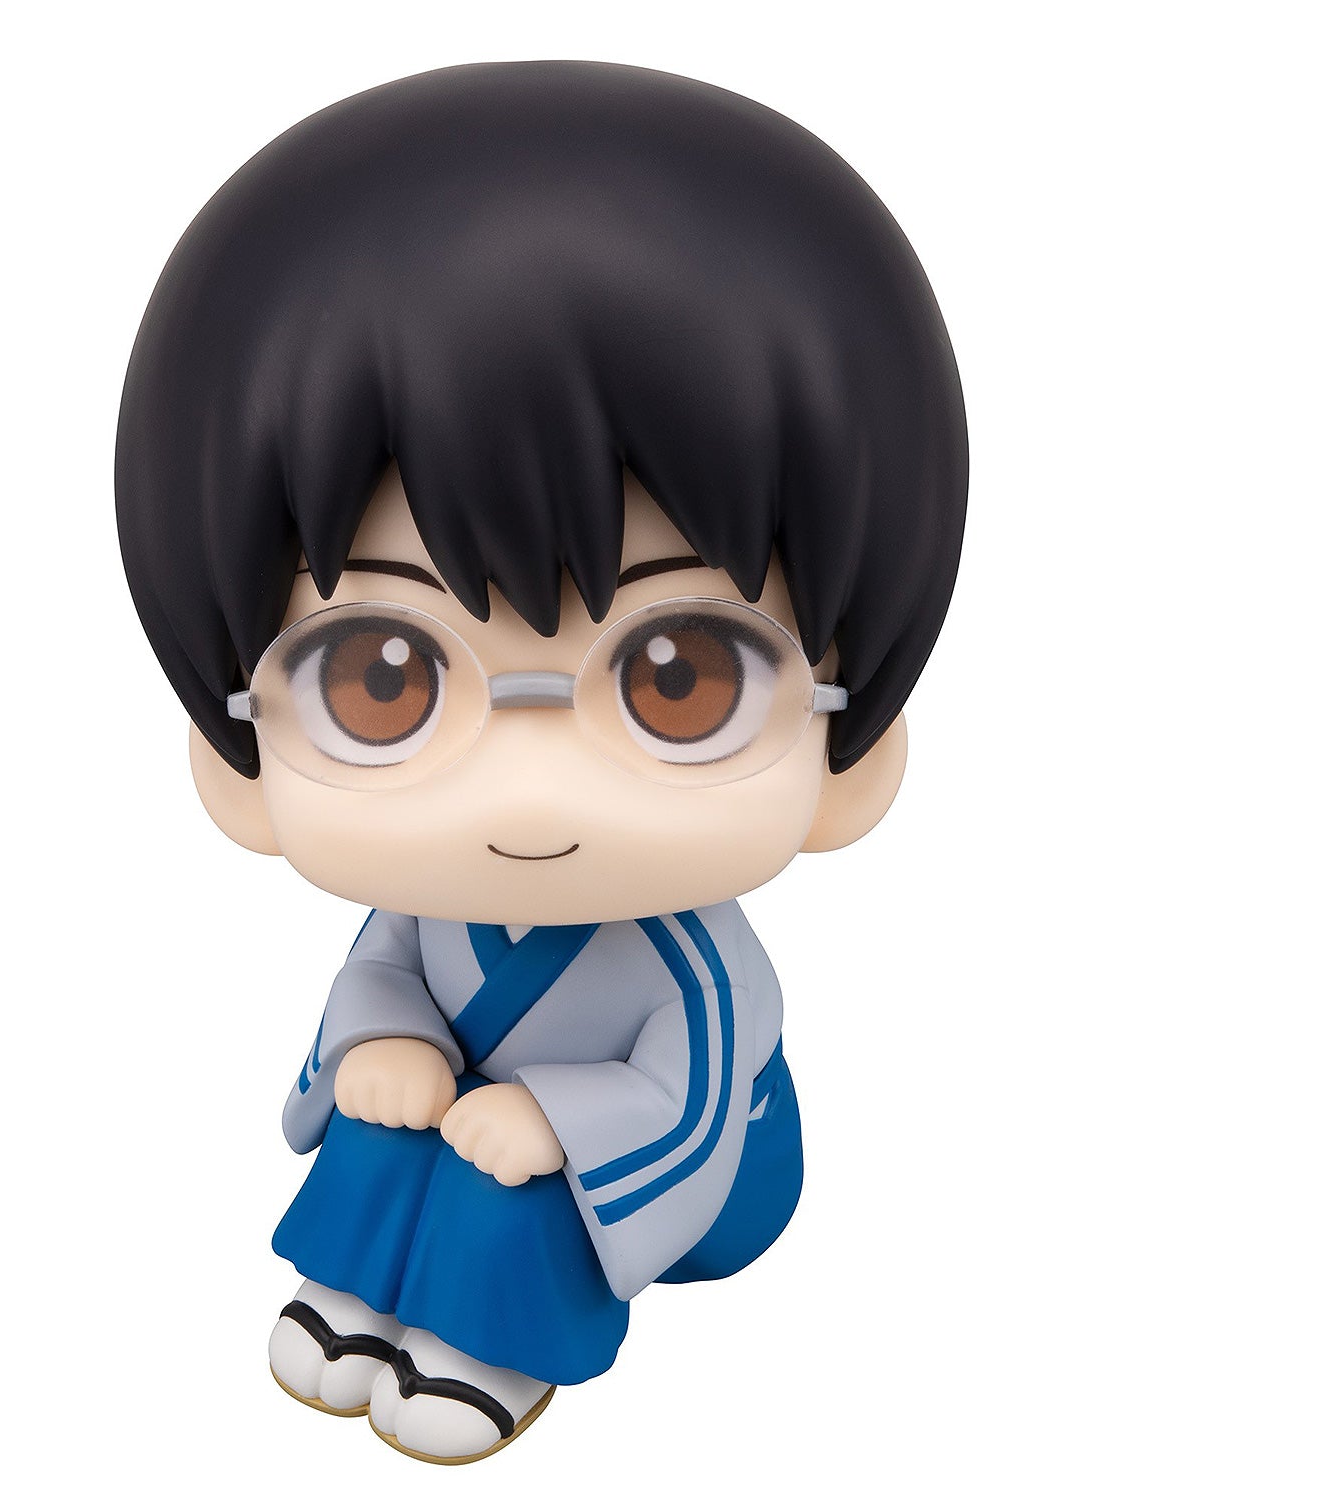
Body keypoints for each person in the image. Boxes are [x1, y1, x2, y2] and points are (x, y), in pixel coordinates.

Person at [116, 60, 967, 1464]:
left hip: (688, 1181)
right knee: (389, 1105)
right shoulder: (423, 914)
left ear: (846, 756)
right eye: (383, 678)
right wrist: (382, 1044)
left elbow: (693, 1099)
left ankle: (494, 1343)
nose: (528, 790)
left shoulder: (695, 967)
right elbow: (383, 982)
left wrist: (560, 1119)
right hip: (482, 1128)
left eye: (678, 679)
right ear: (239, 758)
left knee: (510, 1171)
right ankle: (353, 1295)